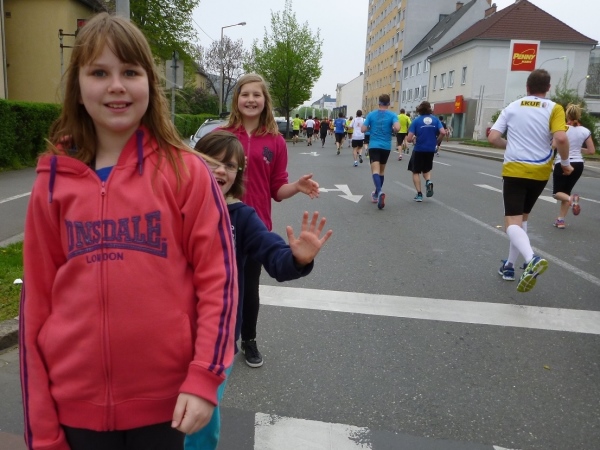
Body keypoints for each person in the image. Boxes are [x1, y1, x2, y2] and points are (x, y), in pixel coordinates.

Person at [19, 13, 237, 450]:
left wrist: (204, 377)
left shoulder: (186, 172)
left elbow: (219, 281)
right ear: (78, 88)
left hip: (165, 407)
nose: (116, 85)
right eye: (99, 73)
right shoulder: (52, 184)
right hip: (74, 408)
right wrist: (42, 429)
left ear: (150, 84)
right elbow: (36, 306)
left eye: (130, 72)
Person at [187, 130, 332, 450]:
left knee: (200, 422)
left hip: (216, 338)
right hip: (168, 335)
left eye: (230, 165)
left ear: (238, 174)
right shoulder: (172, 207)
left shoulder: (241, 217)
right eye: (212, 162)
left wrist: (297, 259)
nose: (221, 170)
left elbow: (273, 255)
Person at [219, 73, 320, 367]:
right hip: (219, 223)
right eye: (245, 94)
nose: (251, 100)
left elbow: (277, 190)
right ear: (236, 99)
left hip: (255, 228)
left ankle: (248, 339)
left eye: (257, 95)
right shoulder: (222, 136)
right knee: (217, 285)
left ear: (265, 101)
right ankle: (218, 339)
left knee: (249, 288)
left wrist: (296, 187)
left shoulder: (275, 141)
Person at [488, 68, 572, 293]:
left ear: (527, 87)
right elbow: (561, 137)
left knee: (511, 223)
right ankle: (509, 266)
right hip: (540, 172)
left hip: (515, 169)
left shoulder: (512, 107)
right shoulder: (554, 108)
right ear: (548, 88)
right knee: (522, 219)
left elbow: (493, 137)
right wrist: (565, 163)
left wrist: (509, 144)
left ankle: (531, 258)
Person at [552, 103, 595, 229]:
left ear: (566, 115)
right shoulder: (585, 131)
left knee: (557, 193)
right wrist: (578, 148)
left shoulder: (562, 129)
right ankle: (561, 220)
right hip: (578, 164)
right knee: (566, 192)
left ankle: (572, 200)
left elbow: (554, 145)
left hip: (563, 162)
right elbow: (591, 151)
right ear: (579, 115)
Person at [361, 94, 400, 210]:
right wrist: (393, 128)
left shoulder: (371, 114)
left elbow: (363, 129)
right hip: (386, 146)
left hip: (374, 145)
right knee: (381, 171)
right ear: (389, 104)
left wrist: (370, 127)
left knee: (375, 170)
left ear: (379, 103)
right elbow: (397, 128)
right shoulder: (393, 115)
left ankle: (379, 192)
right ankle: (377, 193)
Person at [406, 102, 444, 202]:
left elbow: (409, 139)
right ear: (430, 109)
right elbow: (443, 132)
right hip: (430, 149)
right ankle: (428, 181)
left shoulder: (416, 121)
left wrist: (413, 139)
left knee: (415, 171)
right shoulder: (435, 120)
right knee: (426, 169)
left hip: (419, 149)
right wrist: (436, 142)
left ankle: (419, 194)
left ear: (419, 109)